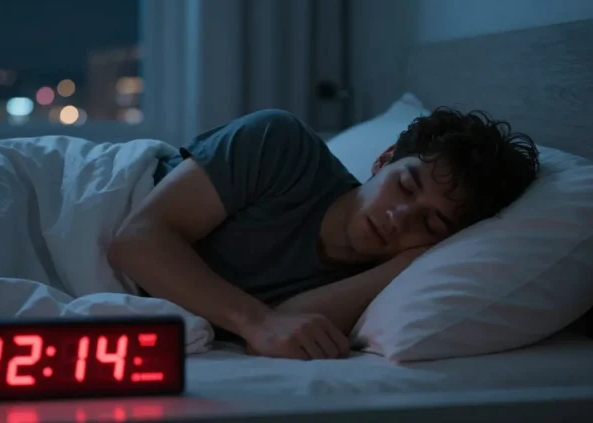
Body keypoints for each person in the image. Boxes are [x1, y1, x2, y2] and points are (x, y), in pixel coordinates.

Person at [108, 108, 540, 361]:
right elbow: (137, 240)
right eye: (405, 186)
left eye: (430, 223)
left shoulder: (379, 287)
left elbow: (286, 329)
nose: (399, 217)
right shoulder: (281, 144)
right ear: (384, 159)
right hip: (95, 201)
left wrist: (406, 263)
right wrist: (258, 322)